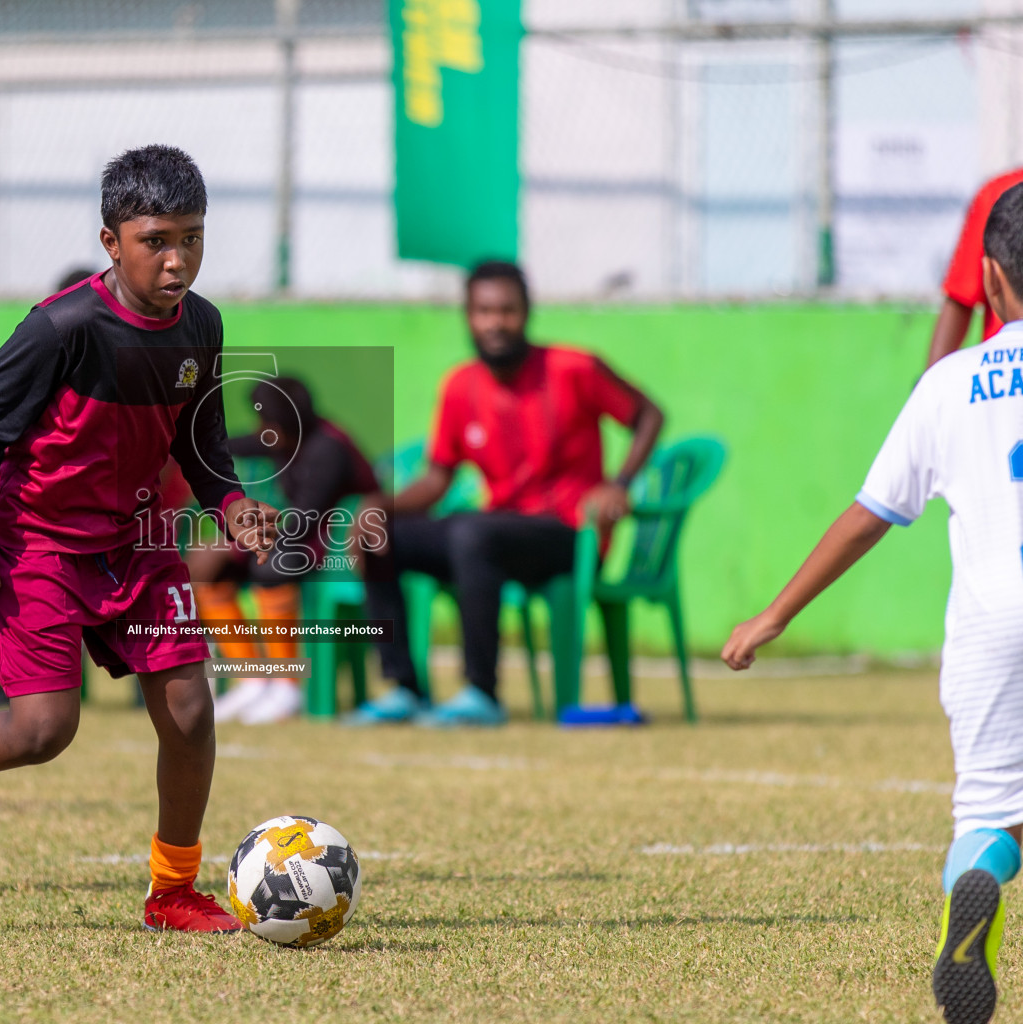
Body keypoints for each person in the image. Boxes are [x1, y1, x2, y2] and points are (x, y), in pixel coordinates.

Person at [0, 144, 278, 931]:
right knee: (44, 729)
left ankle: (172, 892)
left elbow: (199, 436)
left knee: (192, 712)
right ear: (111, 242)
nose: (177, 260)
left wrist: (232, 502)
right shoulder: (63, 326)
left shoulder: (201, 324)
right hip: (39, 541)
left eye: (192, 238)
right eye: (156, 240)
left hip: (134, 544)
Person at [724, 181, 1023, 1024]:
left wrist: (775, 614)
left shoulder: (950, 384)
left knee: (992, 814)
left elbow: (871, 517)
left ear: (991, 280)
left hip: (993, 624)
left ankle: (977, 878)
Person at [355, 260, 664, 727]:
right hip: (492, 535)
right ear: (468, 315)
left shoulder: (573, 368)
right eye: (483, 311)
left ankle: (483, 693)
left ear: (526, 313)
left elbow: (649, 415)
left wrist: (618, 485)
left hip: (569, 535)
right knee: (382, 535)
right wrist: (381, 506)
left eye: (507, 310)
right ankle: (406, 689)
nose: (495, 322)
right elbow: (438, 480)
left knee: (471, 533)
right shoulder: (460, 386)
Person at [193, 376, 381, 725]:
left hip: (339, 548)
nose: (260, 429)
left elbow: (307, 519)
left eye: (266, 422)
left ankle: (287, 684)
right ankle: (250, 678)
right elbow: (238, 445)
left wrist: (249, 538)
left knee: (272, 567)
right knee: (206, 569)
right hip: (296, 539)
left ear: (284, 423)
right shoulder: (287, 436)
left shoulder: (328, 448)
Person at [927, 167, 1023, 367]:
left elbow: (959, 300)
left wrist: (932, 384)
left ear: (991, 275)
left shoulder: (998, 193)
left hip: (997, 380)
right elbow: (961, 298)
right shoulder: (996, 194)